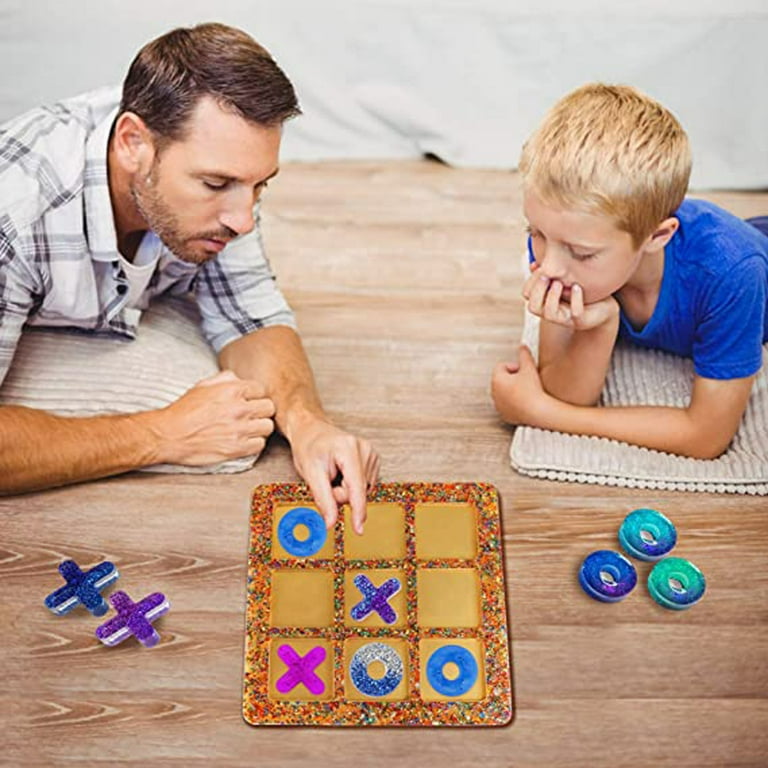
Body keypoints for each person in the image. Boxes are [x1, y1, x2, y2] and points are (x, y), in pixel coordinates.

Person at [0, 23, 378, 531]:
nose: (243, 218)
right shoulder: (16, 211)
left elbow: (249, 313)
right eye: (216, 184)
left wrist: (309, 424)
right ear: (133, 143)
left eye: (258, 186)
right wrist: (161, 434)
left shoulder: (216, 172)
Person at [491, 83, 768, 459]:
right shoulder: (561, 238)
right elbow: (565, 390)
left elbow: (706, 437)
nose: (549, 266)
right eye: (534, 233)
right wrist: (599, 328)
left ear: (658, 236)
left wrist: (542, 413)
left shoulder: (732, 275)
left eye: (583, 254)